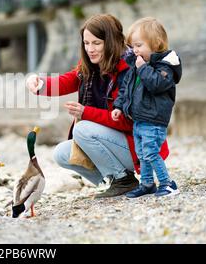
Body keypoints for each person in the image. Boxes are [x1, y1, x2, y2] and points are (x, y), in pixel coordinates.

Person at [26, 14, 169, 198]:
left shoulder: (130, 69)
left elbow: (127, 121)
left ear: (109, 42)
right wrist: (40, 84)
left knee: (83, 129)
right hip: (116, 144)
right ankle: (112, 182)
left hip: (139, 145)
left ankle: (123, 180)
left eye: (96, 43)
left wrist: (86, 112)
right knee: (62, 153)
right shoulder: (93, 65)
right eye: (86, 43)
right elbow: (68, 80)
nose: (90, 49)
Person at [112, 17, 182, 197]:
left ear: (156, 43)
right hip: (139, 120)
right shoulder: (137, 65)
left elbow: (157, 84)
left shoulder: (166, 65)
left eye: (138, 45)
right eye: (132, 46)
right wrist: (119, 106)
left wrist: (143, 68)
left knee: (151, 153)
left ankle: (167, 183)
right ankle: (147, 183)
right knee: (142, 154)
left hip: (154, 120)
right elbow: (126, 88)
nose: (134, 50)